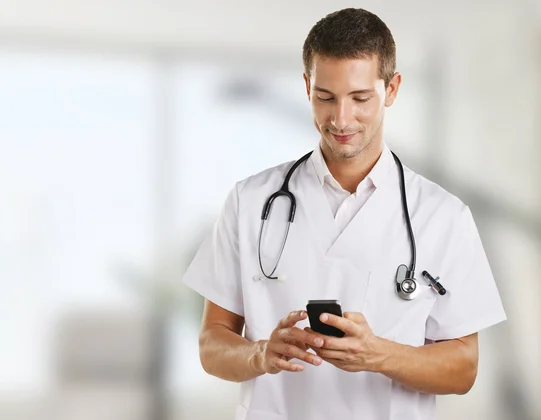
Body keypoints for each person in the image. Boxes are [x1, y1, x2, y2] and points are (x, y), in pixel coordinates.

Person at [182, 7, 506, 420]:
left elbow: (464, 368)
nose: (340, 119)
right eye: (325, 97)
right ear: (306, 87)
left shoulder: (443, 216)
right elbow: (212, 345)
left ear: (391, 90)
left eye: (360, 98)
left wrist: (379, 355)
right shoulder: (250, 202)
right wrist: (260, 353)